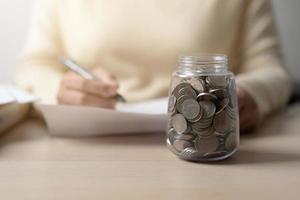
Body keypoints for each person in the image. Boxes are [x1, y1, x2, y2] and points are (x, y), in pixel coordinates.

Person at [15, 0, 291, 132]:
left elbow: (272, 70)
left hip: (208, 132)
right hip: (88, 141)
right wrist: (60, 91)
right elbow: (34, 64)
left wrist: (248, 94)